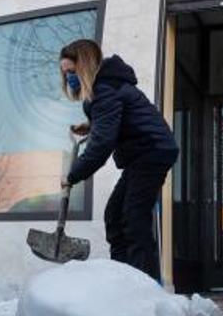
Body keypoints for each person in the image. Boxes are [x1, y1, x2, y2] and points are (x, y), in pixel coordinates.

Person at [59, 39, 178, 283]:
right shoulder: (108, 87)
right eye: (65, 74)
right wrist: (92, 126)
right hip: (142, 153)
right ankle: (122, 283)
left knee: (134, 220)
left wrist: (73, 174)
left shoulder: (104, 90)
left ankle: (144, 291)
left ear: (86, 66)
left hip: (151, 152)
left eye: (72, 72)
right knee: (115, 216)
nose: (69, 78)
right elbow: (115, 120)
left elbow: (102, 145)